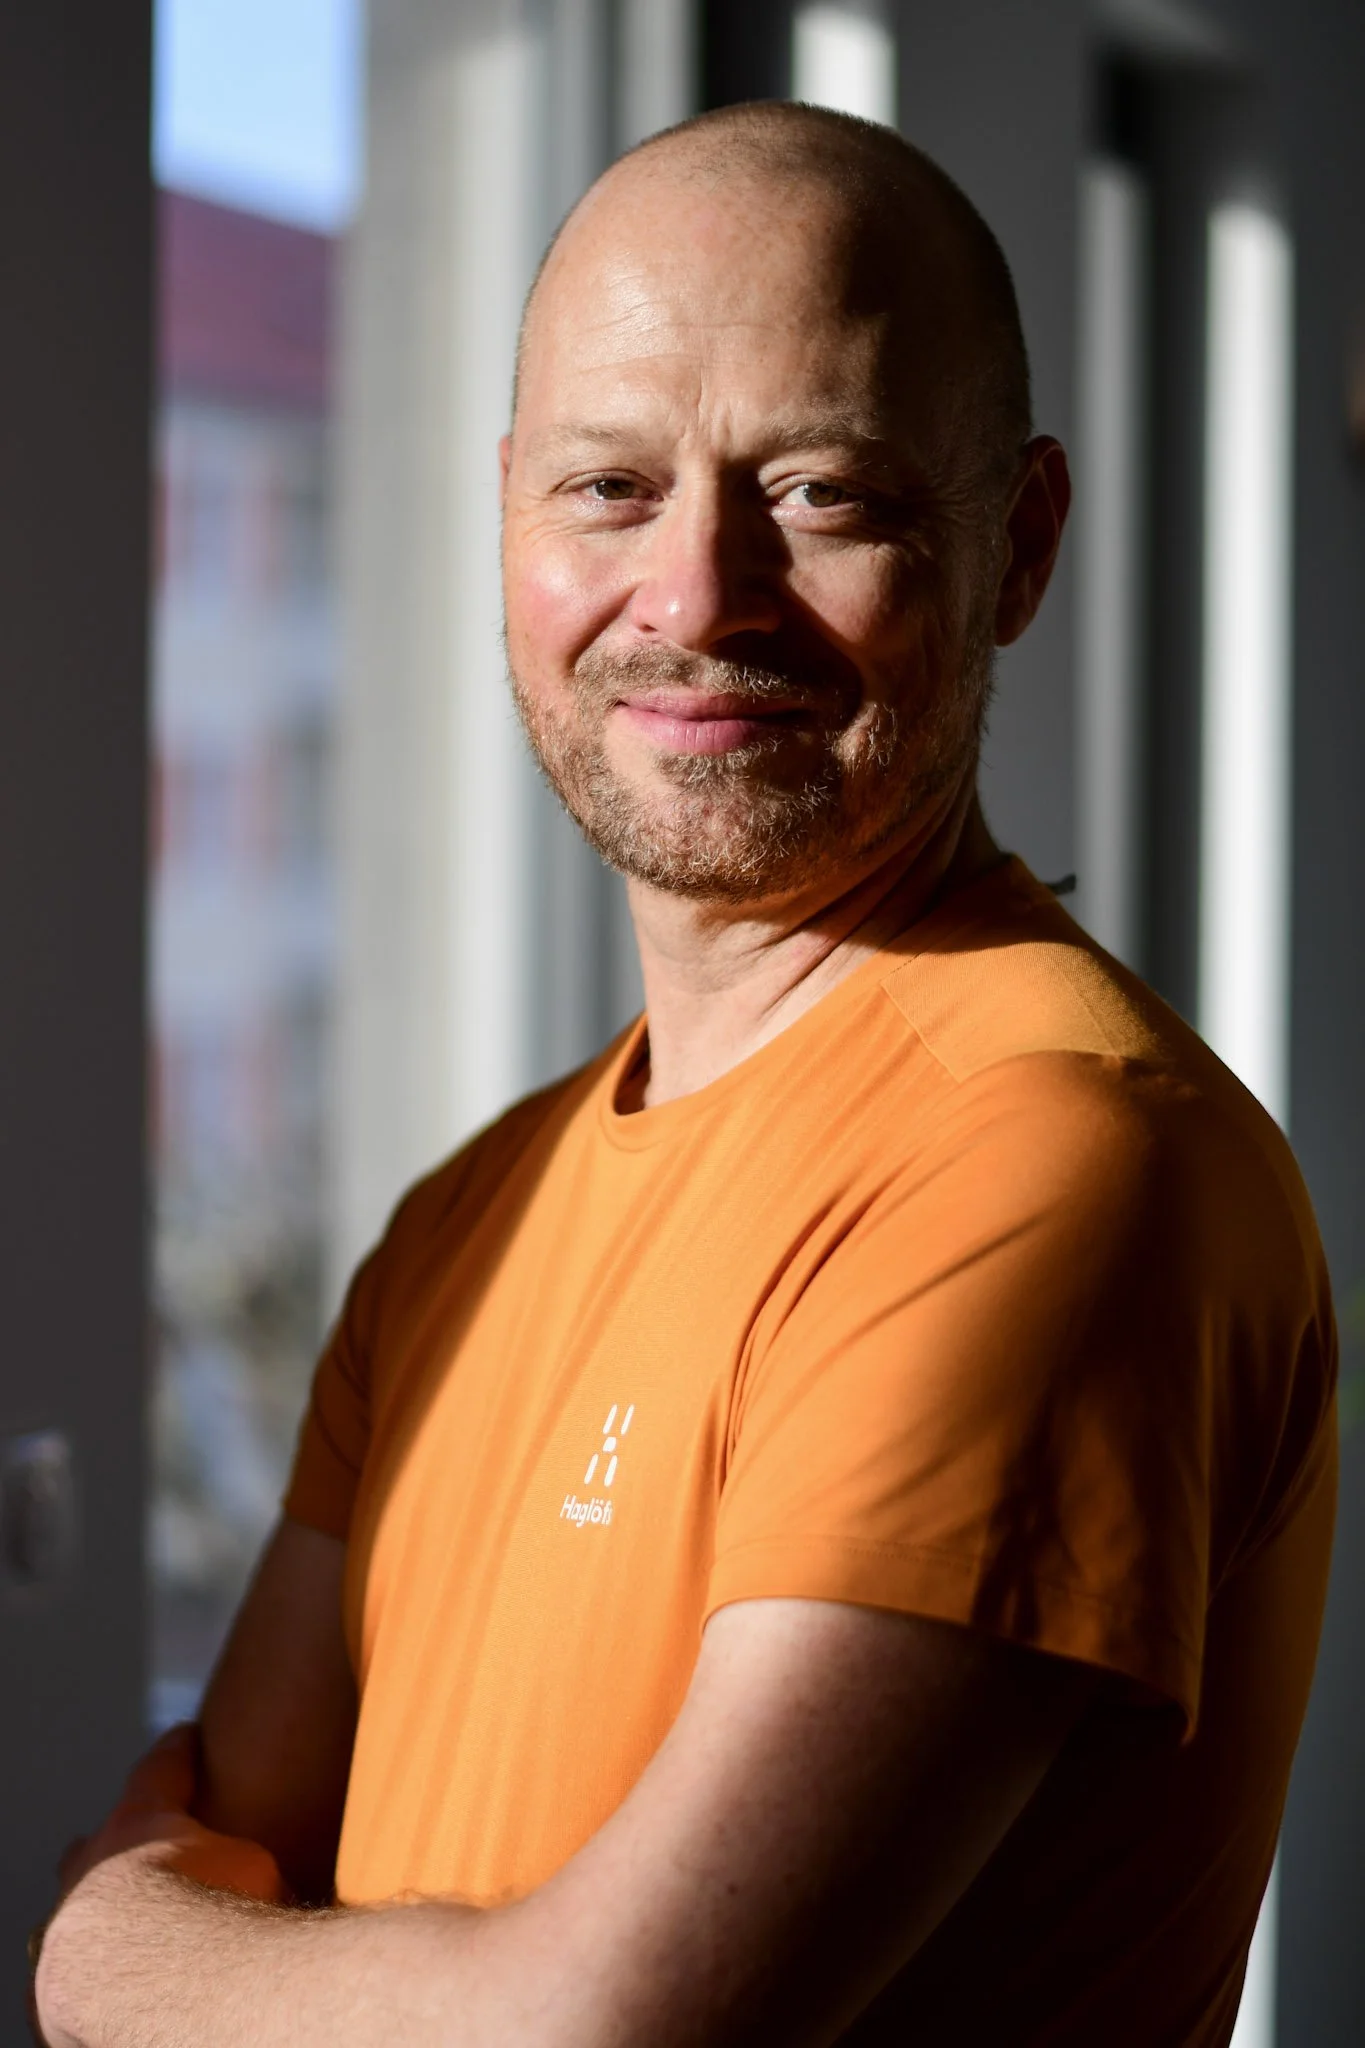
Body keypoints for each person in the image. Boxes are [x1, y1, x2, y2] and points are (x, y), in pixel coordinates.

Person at [36, 101, 1336, 2048]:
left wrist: (95, 1954)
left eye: (817, 492)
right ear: (506, 520)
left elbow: (591, 2029)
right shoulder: (463, 1220)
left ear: (1020, 541)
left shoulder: (1047, 1163)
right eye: (609, 486)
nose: (694, 592)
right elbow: (254, 1839)